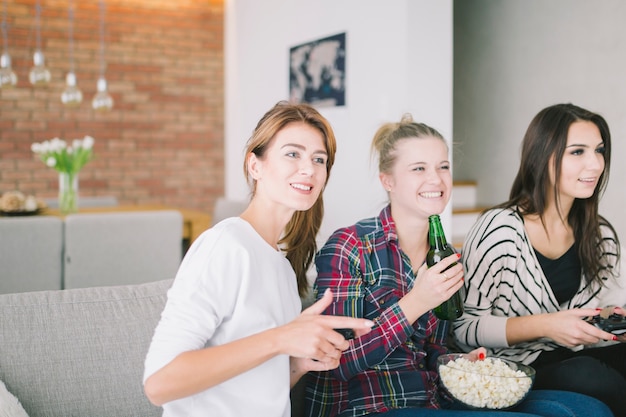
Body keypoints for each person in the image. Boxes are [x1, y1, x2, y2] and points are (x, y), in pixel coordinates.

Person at [304, 113, 613, 417]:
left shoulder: (445, 255)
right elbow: (336, 362)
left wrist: (462, 361)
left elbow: (433, 349)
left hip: (433, 399)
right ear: (388, 181)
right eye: (418, 168)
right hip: (369, 406)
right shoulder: (351, 246)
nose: (436, 179)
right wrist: (415, 302)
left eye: (443, 167)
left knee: (588, 409)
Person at [142, 101, 375, 416]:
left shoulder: (280, 264)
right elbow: (159, 383)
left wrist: (297, 364)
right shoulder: (225, 246)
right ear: (256, 166)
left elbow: (259, 392)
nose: (309, 168)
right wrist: (280, 339)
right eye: (292, 154)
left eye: (318, 159)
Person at [453, 103, 626, 416]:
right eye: (578, 152)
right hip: (510, 368)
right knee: (589, 375)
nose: (595, 163)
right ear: (542, 155)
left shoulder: (600, 234)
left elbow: (602, 314)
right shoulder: (500, 229)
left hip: (575, 356)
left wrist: (613, 316)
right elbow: (464, 329)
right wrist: (547, 325)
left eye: (599, 150)